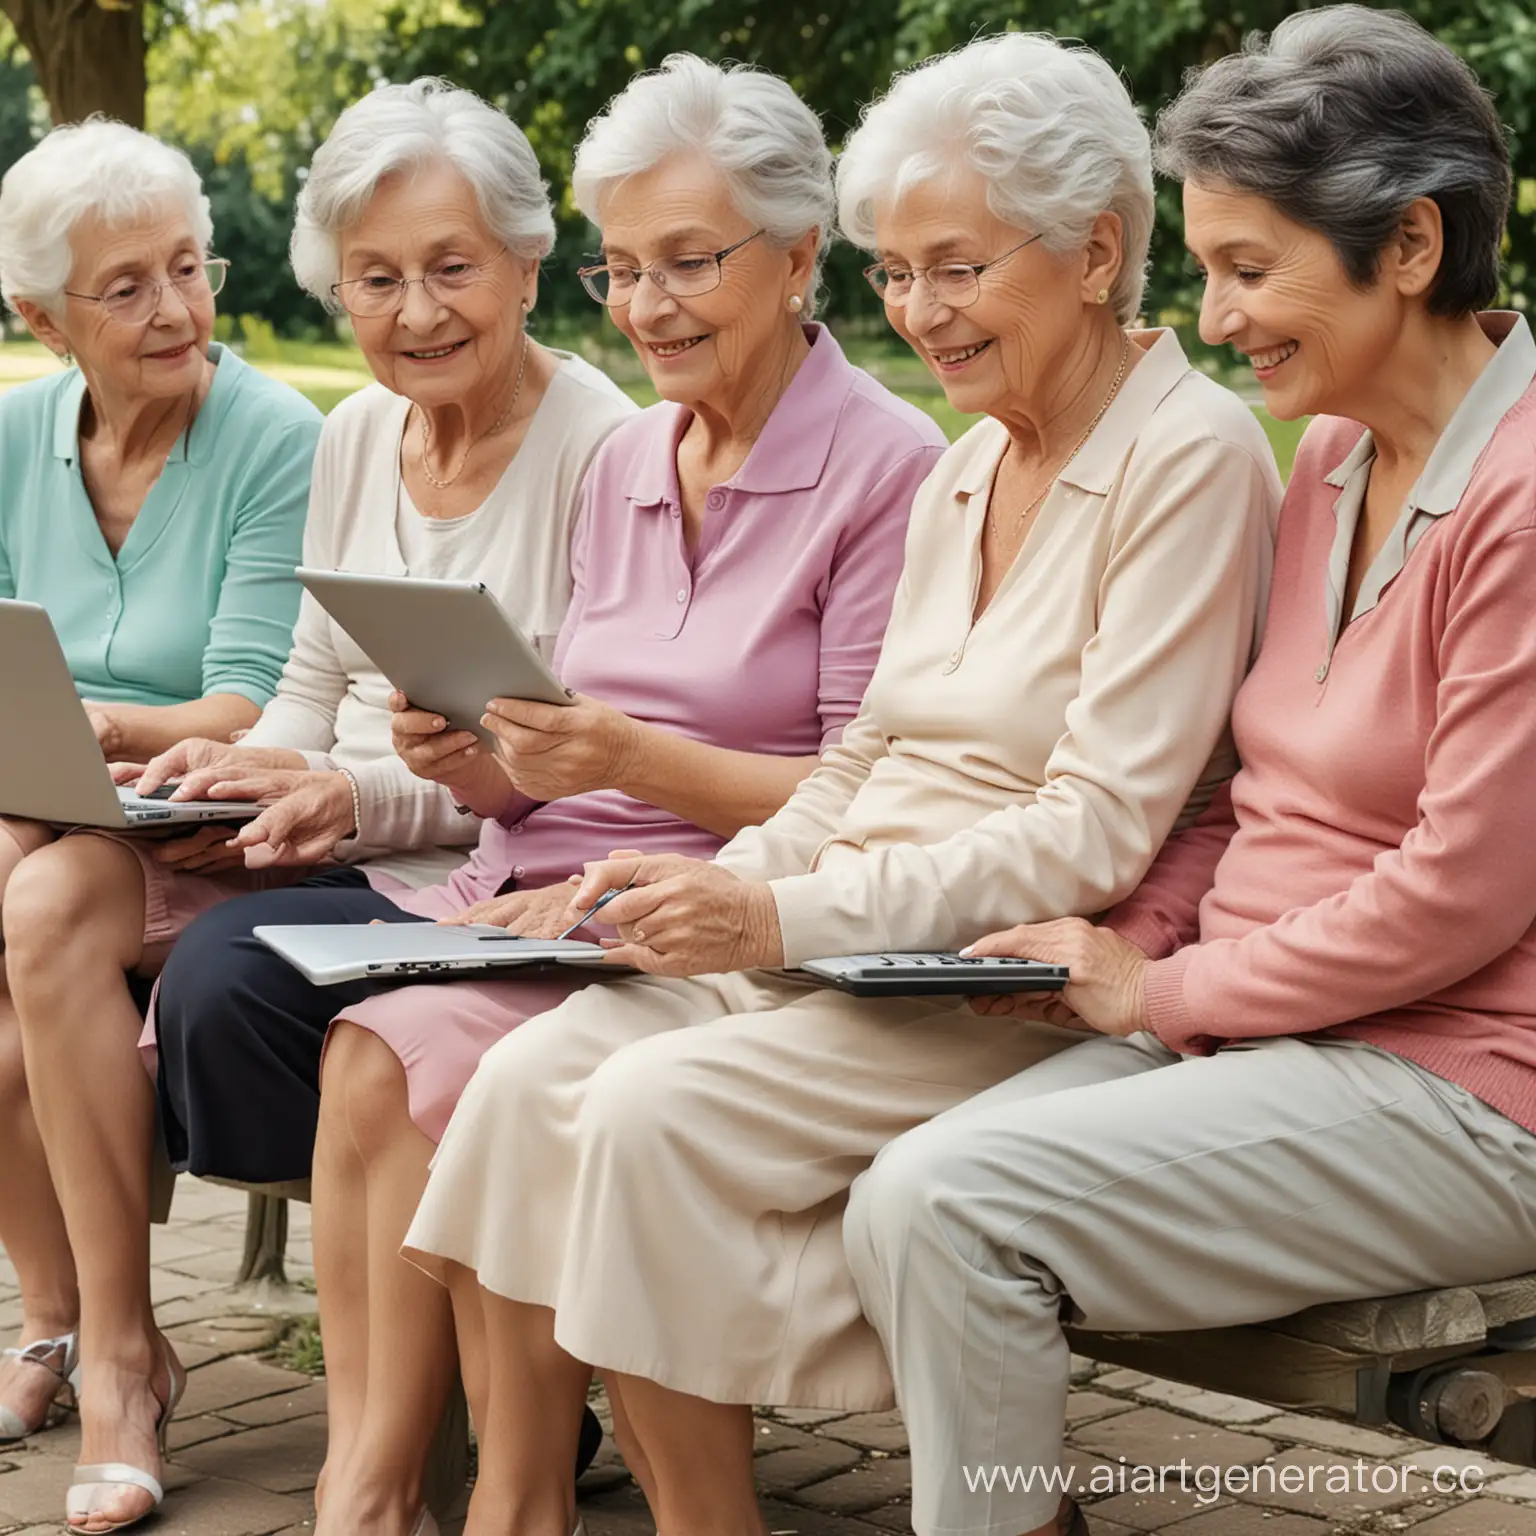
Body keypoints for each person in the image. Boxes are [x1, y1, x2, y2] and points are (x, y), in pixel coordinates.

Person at [400, 33, 1283, 1536]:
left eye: (954, 268)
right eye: (894, 274)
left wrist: (779, 917)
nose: (918, 314)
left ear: (1096, 253)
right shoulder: (965, 462)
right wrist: (718, 889)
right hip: (853, 927)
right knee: (527, 1080)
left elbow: (1094, 828)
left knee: (642, 1110)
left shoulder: (1191, 462)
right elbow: (868, 754)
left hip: (991, 972)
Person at [152, 54, 946, 1536]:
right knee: (369, 1058)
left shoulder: (890, 469)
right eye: (627, 267)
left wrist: (613, 773)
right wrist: (477, 759)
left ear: (799, 256)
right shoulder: (637, 454)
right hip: (530, 893)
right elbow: (558, 739)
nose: (648, 305)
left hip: (710, 911)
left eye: (691, 263)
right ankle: (375, 1492)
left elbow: (868, 785)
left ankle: (508, 1499)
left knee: (451, 1072)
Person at [842, 13, 1536, 1536]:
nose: (1213, 321)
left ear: (1409, 245)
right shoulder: (1335, 459)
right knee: (903, 1177)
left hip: (1465, 1080)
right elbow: (1244, 793)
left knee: (945, 1203)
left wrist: (1156, 998)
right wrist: (1135, 941)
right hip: (1272, 1025)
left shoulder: (1523, 495)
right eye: (1209, 266)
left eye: (1248, 266)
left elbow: (1462, 897)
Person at [3, 80, 637, 1534]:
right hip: (330, 841)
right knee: (55, 906)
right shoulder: (365, 434)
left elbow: (534, 755)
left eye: (451, 268)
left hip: (488, 861)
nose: (413, 311)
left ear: (531, 266)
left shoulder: (597, 449)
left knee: (223, 978)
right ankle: (113, 1349)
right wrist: (259, 769)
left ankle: (443, 1393)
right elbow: (302, 680)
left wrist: (331, 791)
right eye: (375, 279)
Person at [0, 116, 317, 1480]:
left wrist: (101, 724)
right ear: (40, 317)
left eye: (186, 267)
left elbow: (252, 700)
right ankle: (78, 1330)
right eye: (124, 287)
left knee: (38, 889)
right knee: (26, 894)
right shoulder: (13, 433)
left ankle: (100, 1346)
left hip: (223, 835)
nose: (176, 309)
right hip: (42, 824)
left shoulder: (274, 436)